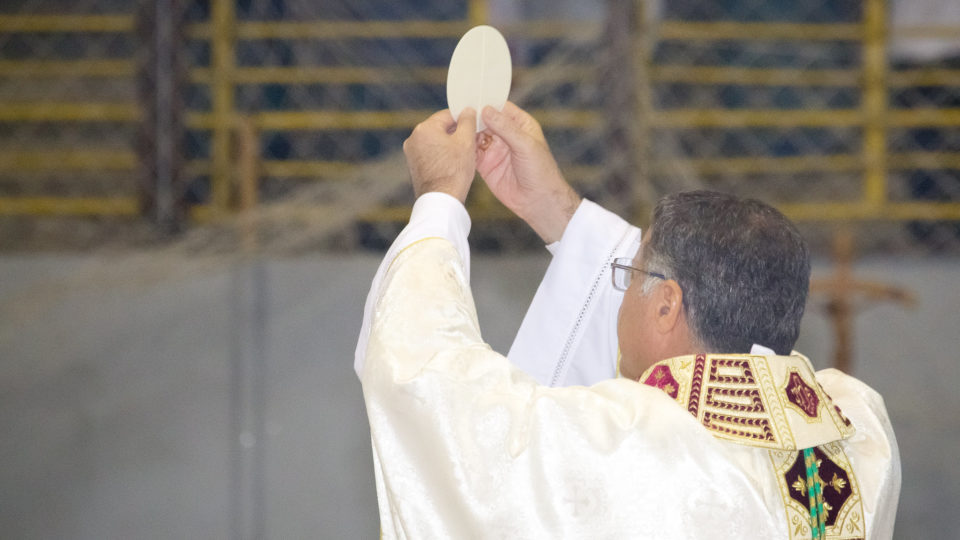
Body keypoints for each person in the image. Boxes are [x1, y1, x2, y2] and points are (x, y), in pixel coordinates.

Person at [355, 104, 900, 538]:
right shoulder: (857, 433)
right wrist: (559, 213)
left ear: (665, 305)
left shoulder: (633, 455)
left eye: (625, 276)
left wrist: (439, 202)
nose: (617, 296)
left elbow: (435, 390)